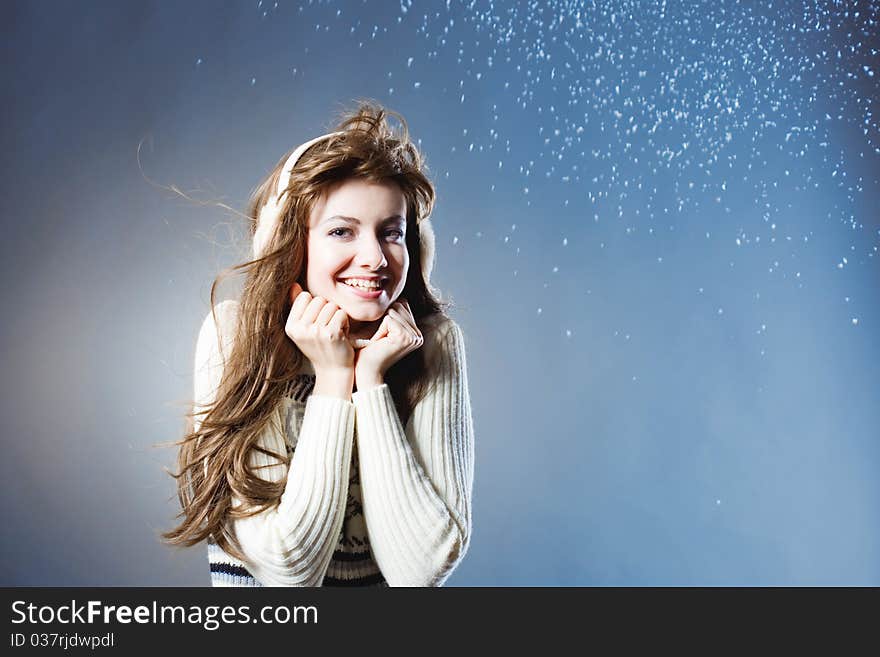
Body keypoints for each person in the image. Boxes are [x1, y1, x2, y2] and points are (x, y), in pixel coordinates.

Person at [163, 101, 475, 587]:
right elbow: (289, 573)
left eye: (391, 233)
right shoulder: (234, 337)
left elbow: (420, 573)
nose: (374, 258)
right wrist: (333, 378)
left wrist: (369, 382)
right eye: (340, 231)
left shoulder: (433, 344)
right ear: (290, 243)